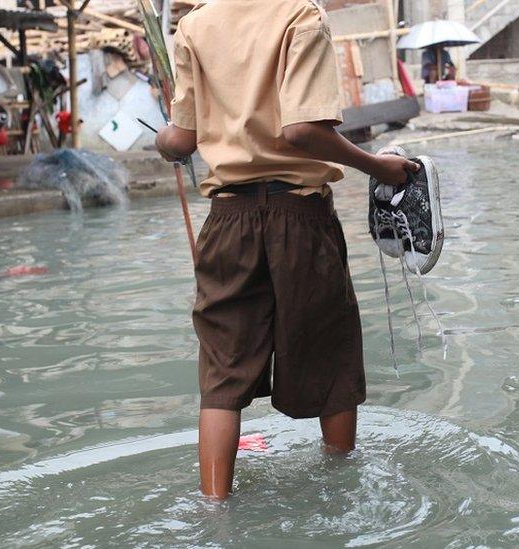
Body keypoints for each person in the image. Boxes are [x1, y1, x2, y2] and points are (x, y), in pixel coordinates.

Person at [154, 0, 417, 500]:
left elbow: (182, 138)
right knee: (329, 360)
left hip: (226, 220)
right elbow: (303, 131)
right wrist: (378, 167)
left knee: (221, 375)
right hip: (300, 217)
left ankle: (214, 511)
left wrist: (165, 144)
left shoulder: (193, 26)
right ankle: (342, 495)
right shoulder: (301, 16)